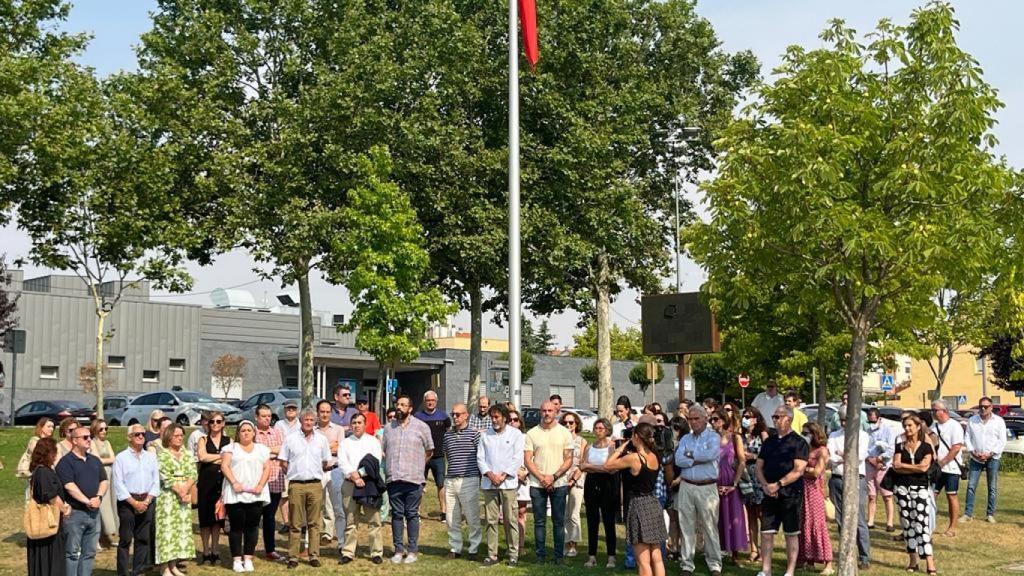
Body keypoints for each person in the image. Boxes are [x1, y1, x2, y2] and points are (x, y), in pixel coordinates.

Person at [607, 421, 669, 576]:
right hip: (653, 503)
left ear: (636, 436)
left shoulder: (634, 458)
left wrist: (622, 446)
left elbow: (608, 465)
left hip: (639, 505)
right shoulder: (654, 455)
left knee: (643, 560)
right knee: (657, 557)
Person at [754, 406, 809, 576]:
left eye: (778, 416)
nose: (775, 419)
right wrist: (765, 485)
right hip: (769, 493)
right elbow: (758, 466)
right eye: (774, 416)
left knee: (791, 533)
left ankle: (790, 572)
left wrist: (778, 484)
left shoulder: (799, 442)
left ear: (788, 419)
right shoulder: (769, 441)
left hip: (790, 494)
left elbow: (798, 470)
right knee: (766, 532)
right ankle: (766, 570)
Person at [381, 394, 434, 564]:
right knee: (396, 514)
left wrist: (417, 464)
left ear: (410, 409)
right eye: (398, 404)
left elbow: (429, 450)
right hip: (394, 478)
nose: (399, 407)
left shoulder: (421, 427)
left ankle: (412, 550)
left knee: (411, 514)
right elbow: (384, 450)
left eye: (403, 405)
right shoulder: (389, 428)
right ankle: (398, 550)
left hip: (413, 478)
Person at [278, 408, 332, 569]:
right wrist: (295, 473)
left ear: (315, 422)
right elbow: (283, 461)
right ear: (301, 421)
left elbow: (325, 462)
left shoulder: (321, 440)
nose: (308, 422)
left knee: (314, 523)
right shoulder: (291, 439)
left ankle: (313, 555)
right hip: (296, 485)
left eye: (311, 420)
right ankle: (293, 557)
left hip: (315, 484)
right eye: (305, 420)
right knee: (295, 523)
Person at [524, 400, 574, 565]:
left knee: (558, 522)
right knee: (539, 522)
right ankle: (540, 556)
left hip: (558, 484)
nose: (547, 413)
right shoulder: (531, 433)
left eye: (550, 410)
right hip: (537, 484)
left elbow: (568, 459)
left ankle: (559, 556)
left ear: (556, 412)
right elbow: (528, 460)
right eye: (544, 410)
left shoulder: (564, 433)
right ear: (540, 412)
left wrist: (554, 476)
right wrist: (542, 477)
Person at [675, 405, 722, 576]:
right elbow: (678, 460)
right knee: (686, 525)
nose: (693, 422)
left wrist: (690, 455)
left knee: (710, 526)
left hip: (707, 487)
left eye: (697, 418)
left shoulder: (714, 437)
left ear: (705, 419)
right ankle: (687, 564)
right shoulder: (685, 438)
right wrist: (695, 457)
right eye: (691, 419)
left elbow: (710, 455)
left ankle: (715, 564)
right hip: (687, 485)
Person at [57, 421, 109, 576]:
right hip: (75, 514)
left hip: (94, 514)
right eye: (85, 437)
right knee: (72, 553)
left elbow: (104, 480)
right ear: (74, 441)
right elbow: (69, 486)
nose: (89, 440)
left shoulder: (94, 460)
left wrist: (98, 497)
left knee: (89, 553)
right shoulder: (65, 462)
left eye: (90, 437)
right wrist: (88, 501)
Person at [221, 420, 271, 573]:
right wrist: (234, 482)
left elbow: (266, 468)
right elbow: (224, 466)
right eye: (243, 430)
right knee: (236, 527)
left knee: (252, 526)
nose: (246, 433)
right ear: (238, 433)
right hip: (236, 494)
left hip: (255, 494)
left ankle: (248, 558)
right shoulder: (231, 448)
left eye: (249, 430)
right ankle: (236, 559)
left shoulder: (262, 449)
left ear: (254, 432)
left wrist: (260, 485)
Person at [477, 403, 524, 567]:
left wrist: (503, 476)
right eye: (492, 417)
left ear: (504, 418)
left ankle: (513, 554)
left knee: (511, 520)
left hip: (508, 484)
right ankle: (492, 554)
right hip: (489, 484)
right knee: (491, 520)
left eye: (497, 417)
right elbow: (480, 458)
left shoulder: (516, 434)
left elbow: (517, 458)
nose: (494, 420)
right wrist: (490, 475)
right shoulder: (485, 436)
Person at [826, 410, 871, 570]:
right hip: (837, 479)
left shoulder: (863, 436)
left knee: (858, 519)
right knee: (840, 518)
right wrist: (842, 456)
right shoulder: (834, 435)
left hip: (855, 478)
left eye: (847, 420)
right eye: (842, 420)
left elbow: (858, 456)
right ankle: (847, 552)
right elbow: (831, 456)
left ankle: (864, 556)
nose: (844, 423)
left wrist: (842, 455)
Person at [113, 424, 160, 576]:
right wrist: (134, 503)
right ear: (129, 437)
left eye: (143, 434)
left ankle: (138, 570)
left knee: (143, 538)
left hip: (147, 500)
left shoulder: (151, 457)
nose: (141, 436)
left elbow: (155, 481)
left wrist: (146, 501)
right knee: (126, 539)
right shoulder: (121, 458)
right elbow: (118, 484)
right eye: (137, 434)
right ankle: (123, 572)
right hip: (128, 502)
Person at [338, 412, 385, 565]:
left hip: (369, 484)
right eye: (354, 423)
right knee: (351, 520)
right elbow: (342, 462)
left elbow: (375, 461)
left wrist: (360, 474)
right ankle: (348, 552)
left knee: (374, 520)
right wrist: (353, 476)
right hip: (350, 484)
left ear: (365, 424)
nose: (357, 425)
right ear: (351, 425)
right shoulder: (345, 443)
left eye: (360, 422)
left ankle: (376, 552)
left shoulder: (373, 442)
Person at [892, 415, 937, 575]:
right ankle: (913, 561)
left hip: (920, 487)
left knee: (921, 523)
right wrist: (914, 466)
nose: (907, 429)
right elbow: (895, 466)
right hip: (901, 488)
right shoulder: (900, 446)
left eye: (910, 425)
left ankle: (930, 563)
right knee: (907, 524)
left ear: (918, 427)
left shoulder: (926, 446)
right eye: (905, 426)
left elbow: (924, 468)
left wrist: (907, 467)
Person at [154, 424, 197, 576]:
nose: (180, 438)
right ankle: (164, 567)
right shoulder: (162, 455)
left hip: (184, 497)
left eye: (181, 435)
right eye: (176, 435)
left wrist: (186, 489)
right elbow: (165, 476)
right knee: (167, 531)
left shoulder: (187, 454)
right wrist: (180, 490)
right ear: (168, 437)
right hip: (168, 498)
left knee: (180, 531)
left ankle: (173, 565)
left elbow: (192, 472)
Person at [442, 403, 482, 559]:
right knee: (451, 517)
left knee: (472, 516)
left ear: (466, 415)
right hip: (451, 479)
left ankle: (474, 549)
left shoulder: (474, 434)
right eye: (453, 414)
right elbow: (447, 455)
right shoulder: (448, 435)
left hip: (469, 479)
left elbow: (480, 456)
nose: (455, 417)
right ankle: (455, 548)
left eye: (458, 414)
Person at [28, 437, 70, 576]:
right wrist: (64, 509)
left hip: (48, 525)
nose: (56, 455)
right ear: (47, 453)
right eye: (54, 452)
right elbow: (51, 496)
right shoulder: (43, 472)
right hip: (49, 524)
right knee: (51, 562)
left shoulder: (40, 471)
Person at [711, 408, 748, 565]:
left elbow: (741, 461)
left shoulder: (735, 438)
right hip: (713, 481)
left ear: (724, 420)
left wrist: (734, 483)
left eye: (716, 419)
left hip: (730, 481)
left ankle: (735, 554)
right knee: (715, 518)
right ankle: (716, 551)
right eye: (711, 420)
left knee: (733, 516)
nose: (713, 423)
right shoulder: (710, 438)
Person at [580, 417, 617, 568]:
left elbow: (611, 467)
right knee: (592, 520)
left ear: (607, 430)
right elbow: (582, 466)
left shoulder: (612, 447)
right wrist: (599, 467)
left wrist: (592, 466)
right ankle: (592, 555)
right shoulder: (589, 447)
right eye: (596, 428)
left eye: (601, 428)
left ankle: (611, 556)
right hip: (591, 483)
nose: (598, 431)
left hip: (608, 484)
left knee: (608, 520)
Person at [962, 396, 1006, 523]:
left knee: (992, 487)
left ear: (991, 407)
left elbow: (1002, 441)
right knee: (971, 486)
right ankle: (968, 514)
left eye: (986, 406)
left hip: (993, 458)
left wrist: (990, 454)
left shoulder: (999, 421)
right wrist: (972, 451)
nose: (983, 408)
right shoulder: (972, 420)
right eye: (981, 406)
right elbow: (967, 437)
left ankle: (990, 514)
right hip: (975, 458)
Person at [797, 422, 832, 574]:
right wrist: (805, 470)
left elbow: (816, 472)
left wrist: (802, 470)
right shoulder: (805, 448)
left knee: (818, 525)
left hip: (815, 491)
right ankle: (808, 559)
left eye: (807, 432)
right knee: (804, 524)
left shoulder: (822, 450)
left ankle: (828, 563)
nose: (804, 435)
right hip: (802, 490)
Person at [196, 411, 230, 565]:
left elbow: (231, 459)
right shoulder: (203, 439)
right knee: (205, 520)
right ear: (207, 424)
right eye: (212, 422)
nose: (215, 424)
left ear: (223, 423)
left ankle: (216, 551)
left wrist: (214, 458)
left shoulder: (228, 440)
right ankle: (205, 551)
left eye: (218, 421)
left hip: (221, 484)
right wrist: (221, 457)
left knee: (217, 520)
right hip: (206, 484)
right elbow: (202, 457)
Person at [253, 404, 286, 561]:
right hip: (257, 482)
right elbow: (254, 452)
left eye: (269, 416)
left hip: (275, 480)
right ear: (256, 417)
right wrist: (272, 452)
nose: (267, 419)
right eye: (263, 416)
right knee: (253, 517)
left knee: (270, 517)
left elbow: (283, 450)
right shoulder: (251, 433)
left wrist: (266, 451)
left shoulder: (277, 432)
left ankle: (270, 550)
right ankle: (249, 550)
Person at [413, 390, 451, 522]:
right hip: (421, 457)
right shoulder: (417, 416)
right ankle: (415, 512)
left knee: (441, 485)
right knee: (418, 485)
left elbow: (449, 432)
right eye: (428, 400)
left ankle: (444, 513)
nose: (430, 402)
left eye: (433, 400)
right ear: (424, 402)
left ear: (436, 401)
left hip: (439, 456)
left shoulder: (443, 416)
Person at [929, 400, 964, 537]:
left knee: (951, 496)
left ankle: (952, 527)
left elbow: (956, 447)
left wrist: (943, 462)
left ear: (944, 411)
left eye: (935, 410)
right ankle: (928, 524)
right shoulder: (934, 427)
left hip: (951, 468)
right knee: (931, 496)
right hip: (937, 468)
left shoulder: (954, 426)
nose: (933, 413)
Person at [740, 407, 769, 562]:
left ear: (756, 419)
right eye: (744, 416)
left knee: (761, 514)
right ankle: (753, 549)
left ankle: (765, 551)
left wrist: (753, 455)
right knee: (750, 513)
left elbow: (769, 454)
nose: (745, 419)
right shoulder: (741, 435)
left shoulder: (762, 434)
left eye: (749, 417)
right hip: (745, 475)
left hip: (759, 474)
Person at [316, 399, 345, 547]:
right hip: (317, 471)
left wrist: (322, 448)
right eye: (322, 412)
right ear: (317, 413)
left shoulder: (339, 430)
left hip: (334, 470)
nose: (325, 414)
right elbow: (313, 452)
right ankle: (318, 537)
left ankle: (336, 538)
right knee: (316, 506)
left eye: (328, 412)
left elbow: (340, 449)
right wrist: (330, 446)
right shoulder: (312, 430)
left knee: (336, 506)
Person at [560, 411, 588, 559]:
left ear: (576, 424)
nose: (568, 425)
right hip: (561, 479)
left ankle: (573, 544)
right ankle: (565, 542)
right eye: (565, 423)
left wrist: (574, 479)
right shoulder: (559, 439)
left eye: (571, 422)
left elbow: (583, 463)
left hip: (577, 480)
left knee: (574, 514)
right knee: (563, 514)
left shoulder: (582, 441)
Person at [89, 419, 119, 549]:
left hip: (111, 475)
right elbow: (96, 459)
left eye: (106, 428)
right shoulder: (92, 442)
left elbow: (114, 458)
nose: (104, 431)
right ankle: (98, 538)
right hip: (99, 475)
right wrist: (108, 460)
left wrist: (106, 460)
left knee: (112, 504)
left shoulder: (107, 442)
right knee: (103, 504)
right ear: (95, 430)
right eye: (101, 429)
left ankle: (109, 534)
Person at [866, 407, 897, 531]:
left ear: (879, 418)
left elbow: (891, 449)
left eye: (874, 421)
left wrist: (880, 460)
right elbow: (863, 448)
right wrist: (870, 459)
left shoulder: (888, 431)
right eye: (870, 421)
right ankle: (870, 521)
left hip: (883, 466)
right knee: (872, 496)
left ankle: (889, 523)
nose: (872, 424)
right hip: (869, 465)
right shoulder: (866, 431)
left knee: (887, 496)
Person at [274, 400, 300, 534]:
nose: (291, 410)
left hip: (297, 463)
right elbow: (278, 442)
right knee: (284, 495)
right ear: (284, 410)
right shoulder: (279, 424)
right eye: (288, 408)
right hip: (283, 462)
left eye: (293, 408)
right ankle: (286, 522)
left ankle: (298, 522)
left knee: (297, 495)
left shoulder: (301, 425)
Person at [509, 408, 530, 555]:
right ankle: (511, 546)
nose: (512, 422)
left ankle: (520, 546)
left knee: (521, 512)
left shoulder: (526, 437)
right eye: (509, 420)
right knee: (509, 514)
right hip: (508, 478)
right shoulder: (501, 437)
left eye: (515, 420)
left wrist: (525, 472)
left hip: (524, 478)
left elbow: (532, 457)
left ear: (520, 422)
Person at [19, 417, 55, 482]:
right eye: (48, 426)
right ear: (41, 427)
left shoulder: (50, 442)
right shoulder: (35, 441)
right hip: (36, 472)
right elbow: (38, 457)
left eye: (52, 427)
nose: (51, 429)